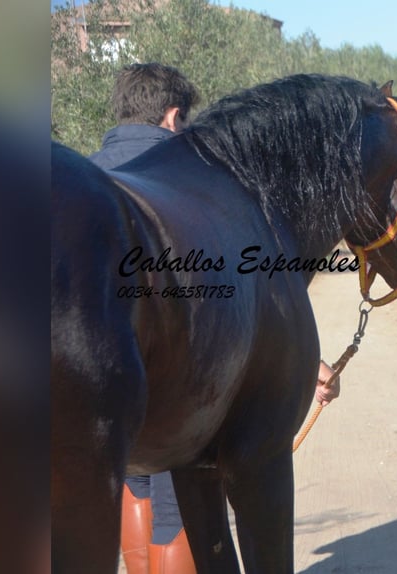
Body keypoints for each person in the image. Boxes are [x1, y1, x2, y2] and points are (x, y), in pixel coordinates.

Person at [90, 62, 340, 573]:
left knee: (133, 483)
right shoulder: (187, 194)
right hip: (172, 376)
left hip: (95, 385)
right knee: (170, 505)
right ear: (174, 118)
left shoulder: (84, 178)